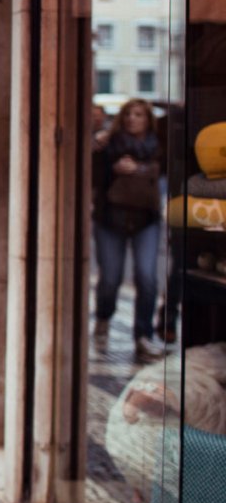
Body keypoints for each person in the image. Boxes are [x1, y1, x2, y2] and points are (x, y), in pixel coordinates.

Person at [92, 97, 166, 360]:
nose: (133, 119)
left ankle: (143, 336)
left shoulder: (159, 146)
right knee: (110, 278)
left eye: (139, 115)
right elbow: (93, 176)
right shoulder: (108, 144)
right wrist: (97, 147)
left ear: (148, 120)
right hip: (111, 219)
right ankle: (103, 316)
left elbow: (165, 170)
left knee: (147, 277)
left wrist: (138, 169)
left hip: (146, 219)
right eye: (129, 115)